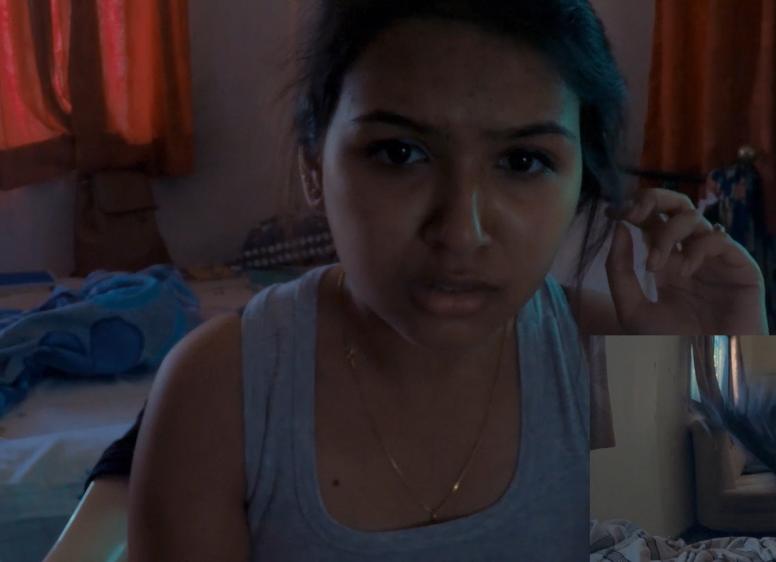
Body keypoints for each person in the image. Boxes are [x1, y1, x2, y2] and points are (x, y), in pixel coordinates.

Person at [108, 1, 767, 561]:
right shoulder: (221, 392)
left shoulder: (604, 357)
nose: (460, 231)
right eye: (400, 153)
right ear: (314, 164)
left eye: (523, 161)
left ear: (580, 183)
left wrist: (728, 348)